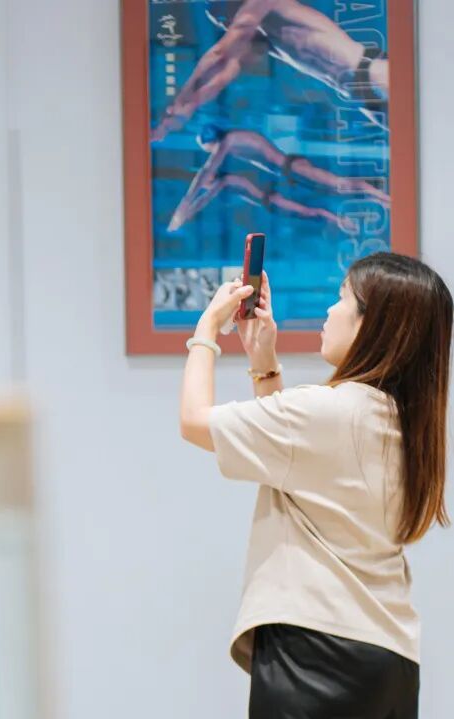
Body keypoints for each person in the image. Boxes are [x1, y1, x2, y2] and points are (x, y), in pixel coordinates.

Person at [179, 252, 451, 717]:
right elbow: (296, 464)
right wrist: (263, 360)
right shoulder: (405, 423)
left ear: (371, 326)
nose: (330, 309)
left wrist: (206, 331)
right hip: (391, 660)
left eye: (342, 298)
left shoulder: (329, 411)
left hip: (315, 653)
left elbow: (193, 421)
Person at [151, 0, 390, 142]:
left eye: (221, 15)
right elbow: (226, 71)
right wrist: (188, 106)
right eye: (218, 20)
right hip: (361, 96)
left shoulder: (262, 4)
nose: (223, 23)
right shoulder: (266, 37)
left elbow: (220, 52)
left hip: (372, 72)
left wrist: (184, 92)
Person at [167, 124, 387, 232]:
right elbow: (207, 187)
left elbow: (207, 170)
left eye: (209, 150)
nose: (212, 154)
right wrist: (188, 211)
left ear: (211, 142)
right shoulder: (230, 151)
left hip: (290, 167)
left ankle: (381, 196)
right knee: (321, 200)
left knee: (337, 184)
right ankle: (372, 202)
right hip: (284, 174)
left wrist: (183, 207)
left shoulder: (229, 141)